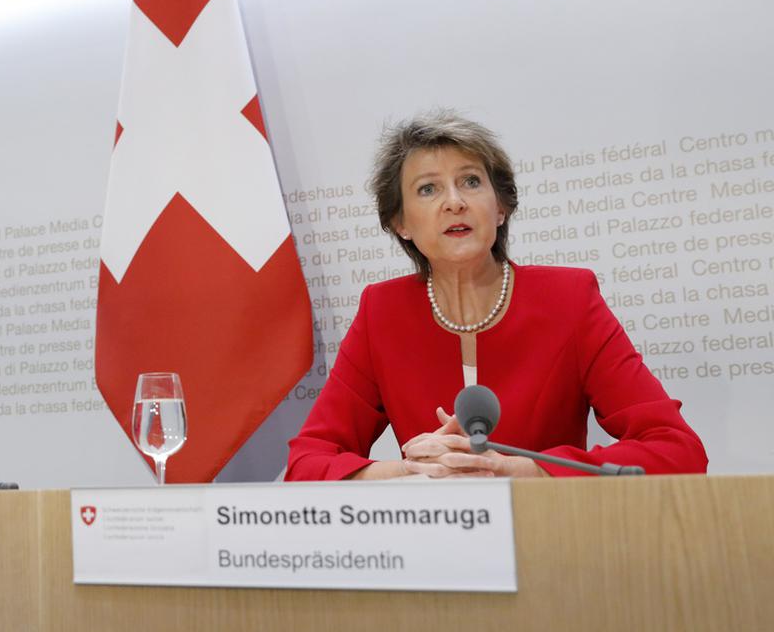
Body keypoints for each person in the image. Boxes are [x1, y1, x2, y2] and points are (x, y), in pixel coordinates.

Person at [286, 111, 706, 480]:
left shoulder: (569, 300)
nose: (454, 202)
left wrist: (522, 470)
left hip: (550, 541)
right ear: (400, 223)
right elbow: (307, 464)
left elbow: (676, 450)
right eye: (428, 189)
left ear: (500, 208)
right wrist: (415, 471)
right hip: (433, 550)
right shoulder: (383, 312)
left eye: (470, 181)